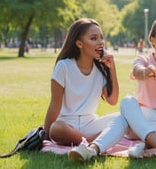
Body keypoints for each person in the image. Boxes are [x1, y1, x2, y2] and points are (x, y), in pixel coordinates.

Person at [68, 15, 156, 161]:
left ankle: (100, 149)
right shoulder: (143, 60)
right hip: (141, 117)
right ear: (152, 40)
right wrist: (145, 71)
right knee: (127, 101)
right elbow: (138, 70)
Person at [44, 18, 119, 146]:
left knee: (122, 118)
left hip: (91, 124)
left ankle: (88, 140)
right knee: (55, 128)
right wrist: (46, 135)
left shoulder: (101, 69)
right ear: (79, 44)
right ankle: (95, 141)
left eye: (101, 37)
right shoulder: (64, 66)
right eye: (94, 38)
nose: (100, 42)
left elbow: (112, 101)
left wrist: (112, 69)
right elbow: (55, 104)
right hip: (67, 125)